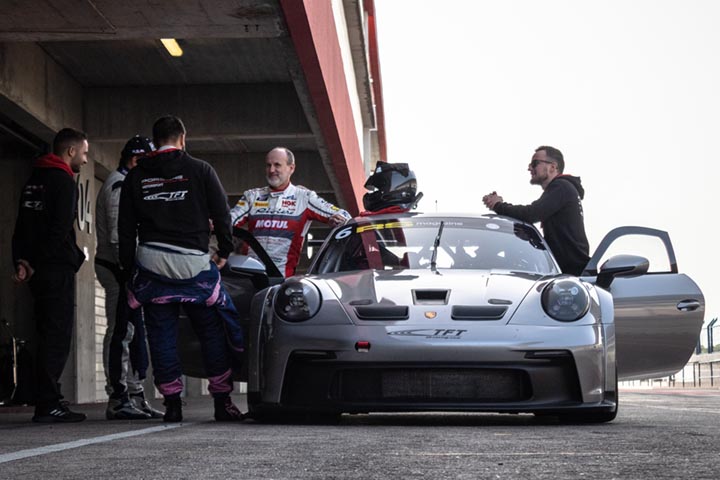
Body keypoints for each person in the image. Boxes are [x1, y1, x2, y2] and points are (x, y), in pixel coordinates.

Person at [118, 115, 244, 422]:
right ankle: (221, 401)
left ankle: (172, 405)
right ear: (183, 139)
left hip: (152, 265)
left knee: (161, 335)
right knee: (211, 332)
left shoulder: (135, 176)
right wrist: (225, 251)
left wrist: (129, 268)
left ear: (155, 140)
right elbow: (222, 215)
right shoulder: (200, 170)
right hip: (194, 265)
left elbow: (125, 229)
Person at [11, 128, 88, 423]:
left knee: (43, 333)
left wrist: (21, 261)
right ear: (70, 152)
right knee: (56, 336)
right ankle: (48, 403)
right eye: (83, 153)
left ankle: (47, 398)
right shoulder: (64, 182)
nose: (84, 159)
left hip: (35, 269)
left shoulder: (34, 180)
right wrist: (36, 262)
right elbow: (58, 230)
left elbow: (21, 224)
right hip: (54, 269)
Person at [96, 134, 163, 420]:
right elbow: (116, 238)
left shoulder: (130, 183)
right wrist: (129, 271)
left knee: (135, 333)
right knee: (121, 332)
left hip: (129, 269)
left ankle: (135, 395)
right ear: (136, 160)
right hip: (119, 269)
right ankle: (118, 398)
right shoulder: (120, 185)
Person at [230, 147, 351, 277]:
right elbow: (229, 220)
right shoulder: (252, 196)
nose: (271, 170)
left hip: (281, 279)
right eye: (268, 165)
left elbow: (345, 217)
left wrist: (337, 220)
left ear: (291, 168)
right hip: (249, 274)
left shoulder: (304, 197)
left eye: (277, 165)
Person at [482, 146, 590, 276]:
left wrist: (498, 205)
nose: (530, 168)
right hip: (566, 271)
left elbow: (531, 213)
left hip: (572, 273)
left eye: (535, 163)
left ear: (552, 167)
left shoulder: (561, 187)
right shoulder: (562, 189)